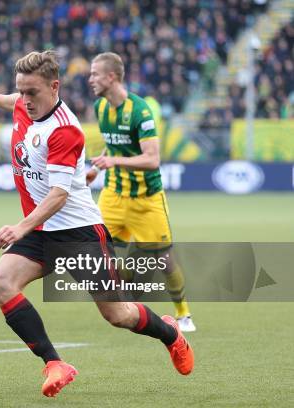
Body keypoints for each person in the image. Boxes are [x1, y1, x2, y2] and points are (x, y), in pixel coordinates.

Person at [0, 50, 194, 398]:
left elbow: (59, 196)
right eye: (20, 91)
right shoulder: (25, 104)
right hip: (41, 230)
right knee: (2, 284)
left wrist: (20, 227)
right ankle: (54, 363)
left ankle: (170, 333)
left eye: (32, 93)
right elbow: (12, 99)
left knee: (118, 315)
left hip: (78, 232)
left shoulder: (65, 130)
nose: (24, 100)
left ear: (54, 87)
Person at [86, 52, 196, 332]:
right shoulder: (101, 108)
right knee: (100, 249)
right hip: (113, 194)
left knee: (164, 259)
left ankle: (183, 314)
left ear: (111, 77)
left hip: (146, 198)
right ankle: (125, 301)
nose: (90, 79)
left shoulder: (140, 110)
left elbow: (152, 159)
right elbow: (114, 144)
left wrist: (113, 161)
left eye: (95, 74)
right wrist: (98, 169)